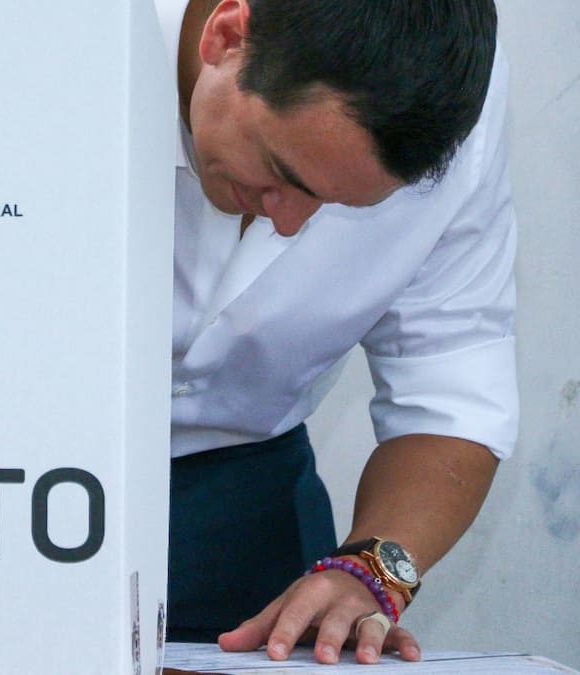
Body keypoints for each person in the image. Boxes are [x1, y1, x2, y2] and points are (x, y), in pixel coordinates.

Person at [156, 0, 516, 666]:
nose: (289, 226)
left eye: (337, 204)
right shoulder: (35, 35)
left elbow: (451, 380)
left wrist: (372, 571)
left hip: (250, 506)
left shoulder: (445, 96)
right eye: (281, 172)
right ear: (227, 36)